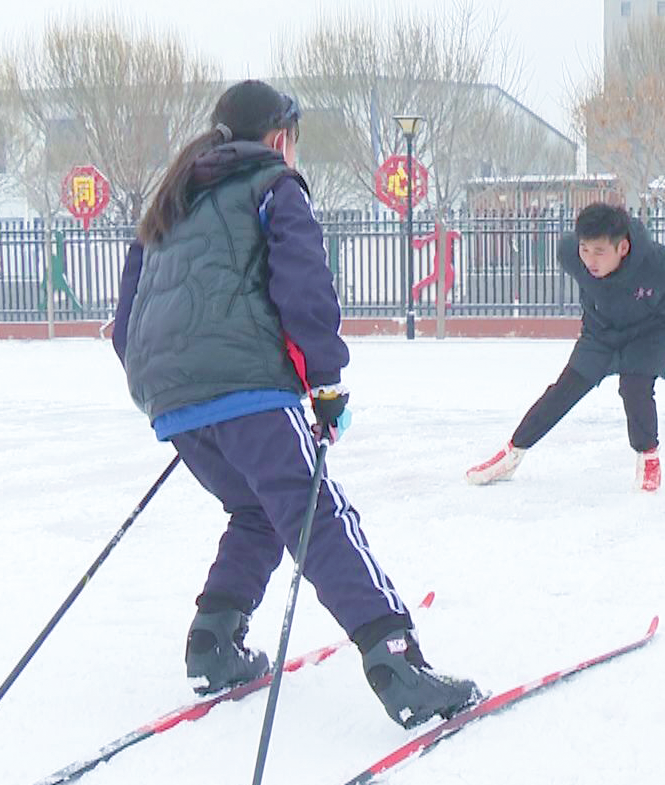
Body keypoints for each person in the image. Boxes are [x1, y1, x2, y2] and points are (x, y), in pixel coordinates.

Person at [112, 79, 479, 730]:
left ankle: (214, 645)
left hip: (169, 398)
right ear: (280, 137)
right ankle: (397, 665)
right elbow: (304, 290)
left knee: (257, 511)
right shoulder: (273, 185)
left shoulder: (171, 199)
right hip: (248, 389)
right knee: (319, 515)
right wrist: (327, 388)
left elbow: (126, 319)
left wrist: (183, 387)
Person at [465, 202, 665, 493]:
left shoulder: (662, 264)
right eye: (585, 249)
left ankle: (648, 456)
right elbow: (576, 253)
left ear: (623, 248)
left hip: (652, 330)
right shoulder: (570, 254)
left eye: (599, 252)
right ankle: (513, 452)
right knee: (565, 389)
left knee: (635, 387)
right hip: (601, 331)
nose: (590, 260)